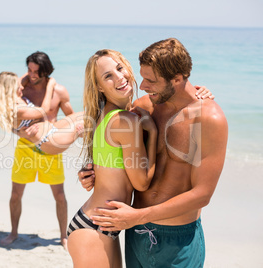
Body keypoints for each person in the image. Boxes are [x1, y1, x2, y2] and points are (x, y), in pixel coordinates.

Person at [78, 38, 228, 267]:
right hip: (135, 232)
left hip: (177, 241)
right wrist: (93, 170)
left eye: (151, 80)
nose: (143, 85)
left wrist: (137, 216)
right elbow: (111, 141)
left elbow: (203, 194)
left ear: (177, 79)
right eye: (143, 77)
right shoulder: (144, 107)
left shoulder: (209, 119)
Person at [67, 49, 157, 267]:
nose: (119, 77)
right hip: (94, 229)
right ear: (99, 87)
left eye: (119, 68)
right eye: (108, 76)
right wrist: (152, 135)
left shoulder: (105, 116)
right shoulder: (125, 121)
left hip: (97, 226)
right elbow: (142, 182)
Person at [0, 51, 74, 249]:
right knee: (16, 194)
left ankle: (63, 236)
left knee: (59, 195)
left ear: (46, 71)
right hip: (25, 148)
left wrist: (55, 131)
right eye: (29, 70)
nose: (32, 75)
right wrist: (20, 133)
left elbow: (71, 120)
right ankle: (14, 232)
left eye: (36, 71)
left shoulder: (59, 91)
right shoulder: (22, 89)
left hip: (50, 149)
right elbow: (11, 119)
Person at [0, 71, 83, 155]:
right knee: (85, 123)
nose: (22, 87)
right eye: (19, 86)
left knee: (89, 114)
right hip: (49, 140)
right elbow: (44, 111)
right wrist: (50, 86)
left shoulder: (12, 103)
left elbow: (27, 76)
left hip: (53, 128)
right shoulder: (16, 110)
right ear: (11, 89)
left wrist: (19, 133)